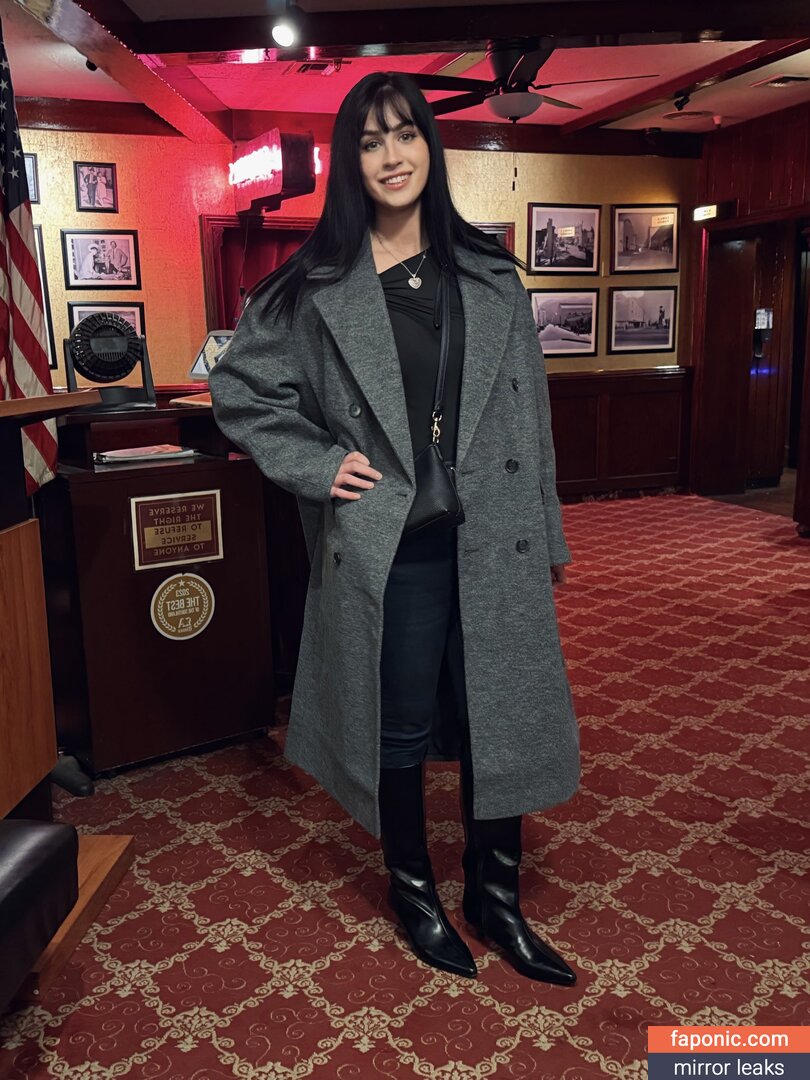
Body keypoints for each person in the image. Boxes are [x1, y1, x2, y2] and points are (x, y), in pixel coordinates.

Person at [209, 72, 580, 986]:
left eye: (405, 133)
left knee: (500, 713)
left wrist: (550, 532)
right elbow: (241, 392)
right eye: (370, 141)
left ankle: (496, 896)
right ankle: (413, 888)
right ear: (351, 161)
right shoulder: (313, 287)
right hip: (391, 544)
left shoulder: (489, 273)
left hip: (493, 536)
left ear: (429, 145)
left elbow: (529, 417)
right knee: (401, 723)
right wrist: (318, 464)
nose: (391, 155)